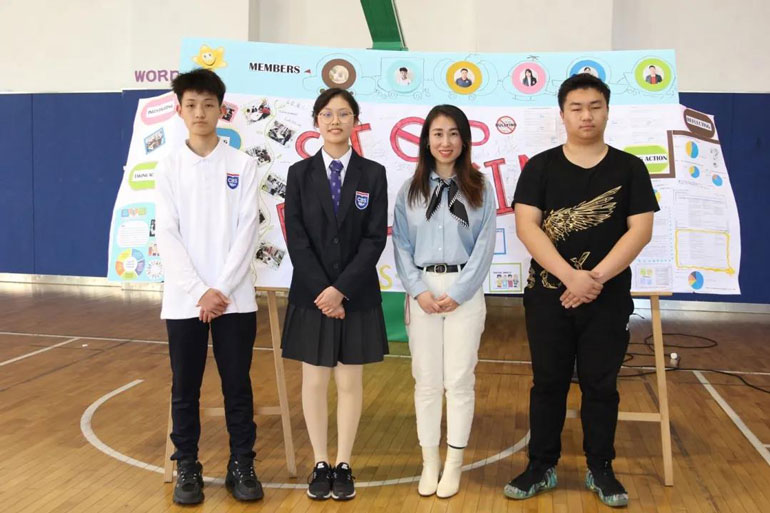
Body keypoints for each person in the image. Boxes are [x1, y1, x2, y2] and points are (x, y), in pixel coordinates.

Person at [504, 73, 659, 507]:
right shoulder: (540, 167)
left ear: (607, 111)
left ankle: (601, 468)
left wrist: (594, 280)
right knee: (548, 383)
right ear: (563, 114)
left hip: (607, 298)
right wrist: (570, 277)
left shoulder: (630, 168)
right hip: (547, 296)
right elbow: (527, 226)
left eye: (595, 106)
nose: (586, 115)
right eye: (576, 108)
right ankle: (540, 466)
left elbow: (640, 230)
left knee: (601, 385)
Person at [155, 68, 263, 505]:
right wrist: (199, 290)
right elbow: (167, 234)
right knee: (185, 388)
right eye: (191, 105)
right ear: (180, 110)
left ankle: (242, 464)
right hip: (185, 301)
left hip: (234, 300)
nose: (200, 112)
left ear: (222, 109)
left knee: (237, 385)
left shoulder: (243, 165)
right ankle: (187, 465)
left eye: (208, 104)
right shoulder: (167, 166)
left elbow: (247, 231)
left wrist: (220, 289)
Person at [281, 87, 389, 501]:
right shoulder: (299, 174)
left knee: (349, 381)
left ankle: (343, 463)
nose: (335, 121)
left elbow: (374, 238)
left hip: (355, 295)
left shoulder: (373, 173)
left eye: (344, 114)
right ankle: (320, 462)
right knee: (313, 381)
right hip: (312, 295)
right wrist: (323, 292)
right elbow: (297, 238)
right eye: (327, 114)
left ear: (355, 121)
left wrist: (341, 290)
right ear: (316, 121)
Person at [393, 104, 496, 498]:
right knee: (426, 381)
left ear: (464, 140)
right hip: (422, 289)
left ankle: (453, 463)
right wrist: (418, 290)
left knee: (459, 380)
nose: (446, 141)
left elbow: (484, 246)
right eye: (438, 133)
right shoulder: (410, 190)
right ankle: (429, 463)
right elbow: (402, 244)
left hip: (463, 290)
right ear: (426, 140)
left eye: (453, 133)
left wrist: (459, 292)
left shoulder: (480, 189)